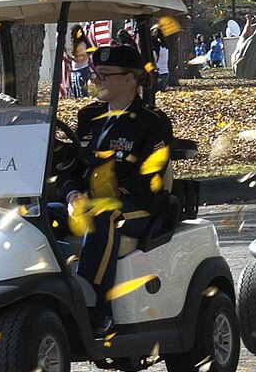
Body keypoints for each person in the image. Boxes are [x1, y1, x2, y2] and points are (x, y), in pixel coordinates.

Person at [64, 43, 174, 332]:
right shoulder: (89, 118)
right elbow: (73, 168)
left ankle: (94, 304)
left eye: (103, 75)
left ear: (130, 78)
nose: (95, 81)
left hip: (140, 206)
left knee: (105, 216)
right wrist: (72, 193)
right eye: (94, 74)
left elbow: (147, 179)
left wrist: (96, 197)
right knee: (37, 217)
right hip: (88, 202)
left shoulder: (153, 122)